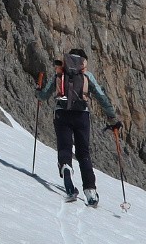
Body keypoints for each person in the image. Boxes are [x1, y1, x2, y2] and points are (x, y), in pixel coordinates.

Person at [34, 48, 121, 205]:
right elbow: (102, 97)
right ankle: (90, 192)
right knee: (83, 153)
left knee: (64, 147)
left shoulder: (60, 72)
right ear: (83, 60)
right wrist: (112, 118)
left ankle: (66, 167)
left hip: (62, 114)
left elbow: (44, 95)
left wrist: (38, 91)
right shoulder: (87, 75)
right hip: (82, 115)